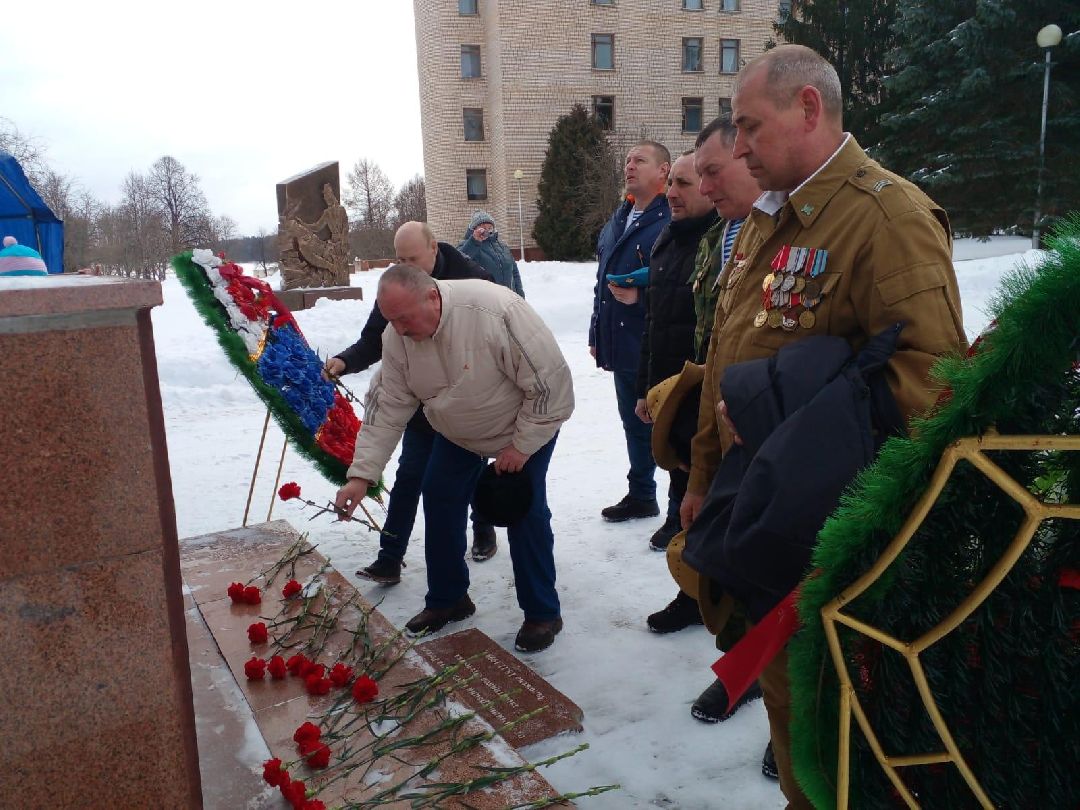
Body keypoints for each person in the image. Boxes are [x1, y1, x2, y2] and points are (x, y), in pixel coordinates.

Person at [684, 45, 966, 807]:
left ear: (809, 108)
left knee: (834, 747)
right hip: (768, 522)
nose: (737, 147)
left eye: (750, 127)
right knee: (794, 726)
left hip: (830, 550)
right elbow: (739, 351)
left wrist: (778, 433)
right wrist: (705, 474)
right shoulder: (777, 217)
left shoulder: (886, 217)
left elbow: (931, 391)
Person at [335, 265, 574, 652]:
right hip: (458, 432)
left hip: (524, 425)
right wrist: (361, 476)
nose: (398, 329)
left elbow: (552, 388)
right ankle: (449, 599)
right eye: (390, 319)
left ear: (432, 297)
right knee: (439, 494)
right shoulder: (397, 337)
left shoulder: (496, 312)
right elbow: (388, 407)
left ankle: (542, 613)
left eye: (404, 318)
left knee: (523, 510)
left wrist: (520, 447)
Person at [323, 222, 498, 583]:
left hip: (464, 403)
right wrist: (345, 361)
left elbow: (496, 339)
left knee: (470, 472)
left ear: (434, 248)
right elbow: (375, 338)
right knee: (409, 476)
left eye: (412, 258)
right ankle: (389, 557)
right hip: (417, 399)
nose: (405, 266)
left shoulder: (473, 279)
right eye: (399, 259)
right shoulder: (397, 287)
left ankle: (483, 530)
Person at [647, 116, 763, 638]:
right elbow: (709, 331)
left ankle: (743, 660)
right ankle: (697, 597)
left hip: (758, 425)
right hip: (706, 404)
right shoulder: (717, 236)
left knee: (750, 544)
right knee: (700, 514)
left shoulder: (775, 232)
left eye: (704, 175)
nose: (701, 187)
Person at [632, 151, 717, 552]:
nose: (671, 194)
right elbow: (654, 322)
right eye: (672, 184)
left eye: (683, 183)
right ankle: (680, 543)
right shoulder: (668, 238)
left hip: (704, 394)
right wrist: (646, 390)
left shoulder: (719, 242)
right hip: (670, 390)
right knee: (678, 473)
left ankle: (699, 590)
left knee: (705, 497)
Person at [589, 141, 671, 522]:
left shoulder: (671, 218)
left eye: (640, 160)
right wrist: (595, 331)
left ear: (664, 171)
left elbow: (680, 278)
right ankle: (642, 494)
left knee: (665, 425)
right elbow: (601, 280)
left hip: (654, 341)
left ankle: (682, 507)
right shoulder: (618, 218)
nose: (630, 166)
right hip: (621, 340)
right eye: (627, 160)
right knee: (631, 423)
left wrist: (642, 294)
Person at [457, 210, 525, 297]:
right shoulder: (467, 244)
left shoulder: (502, 246)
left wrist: (520, 296)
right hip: (487, 302)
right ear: (474, 229)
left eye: (489, 227)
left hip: (508, 299)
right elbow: (458, 263)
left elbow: (515, 273)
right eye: (482, 227)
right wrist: (474, 242)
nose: (487, 230)